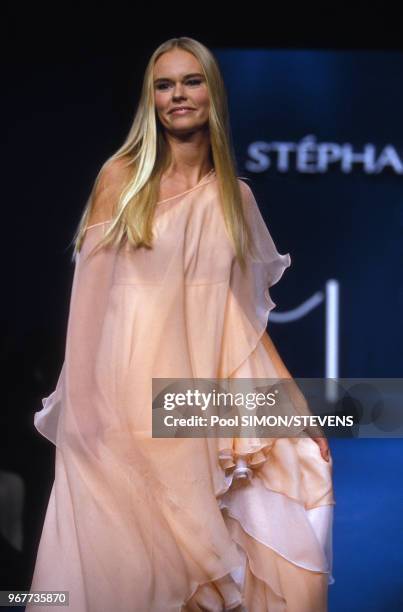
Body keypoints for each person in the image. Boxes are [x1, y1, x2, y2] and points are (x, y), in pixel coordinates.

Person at [27, 37, 335, 612]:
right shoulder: (121, 180)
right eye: (164, 85)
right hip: (129, 397)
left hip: (204, 400)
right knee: (137, 571)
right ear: (152, 100)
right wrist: (85, 407)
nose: (178, 96)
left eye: (191, 81)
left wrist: (297, 407)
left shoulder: (234, 197)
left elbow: (242, 320)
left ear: (212, 93)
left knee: (262, 523)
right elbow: (87, 304)